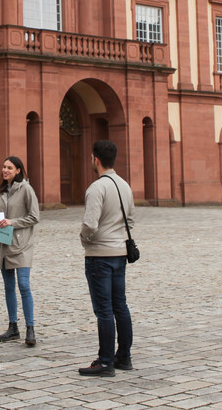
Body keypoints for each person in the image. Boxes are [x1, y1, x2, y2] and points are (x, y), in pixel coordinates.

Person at [78, 139, 134, 377]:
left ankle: (105, 361)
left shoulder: (96, 188)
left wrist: (85, 240)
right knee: (120, 305)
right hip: (120, 253)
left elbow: (89, 224)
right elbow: (130, 221)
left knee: (104, 310)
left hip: (99, 255)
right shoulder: (125, 186)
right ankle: (124, 357)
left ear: (96, 159)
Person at [0, 156, 40, 346]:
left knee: (24, 285)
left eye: (9, 168)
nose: (5, 170)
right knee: (8, 286)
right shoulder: (1, 190)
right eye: (3, 167)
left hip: (22, 244)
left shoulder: (26, 189)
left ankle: (30, 327)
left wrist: (13, 222)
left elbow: (34, 216)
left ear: (18, 170)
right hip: (4, 243)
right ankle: (13, 327)